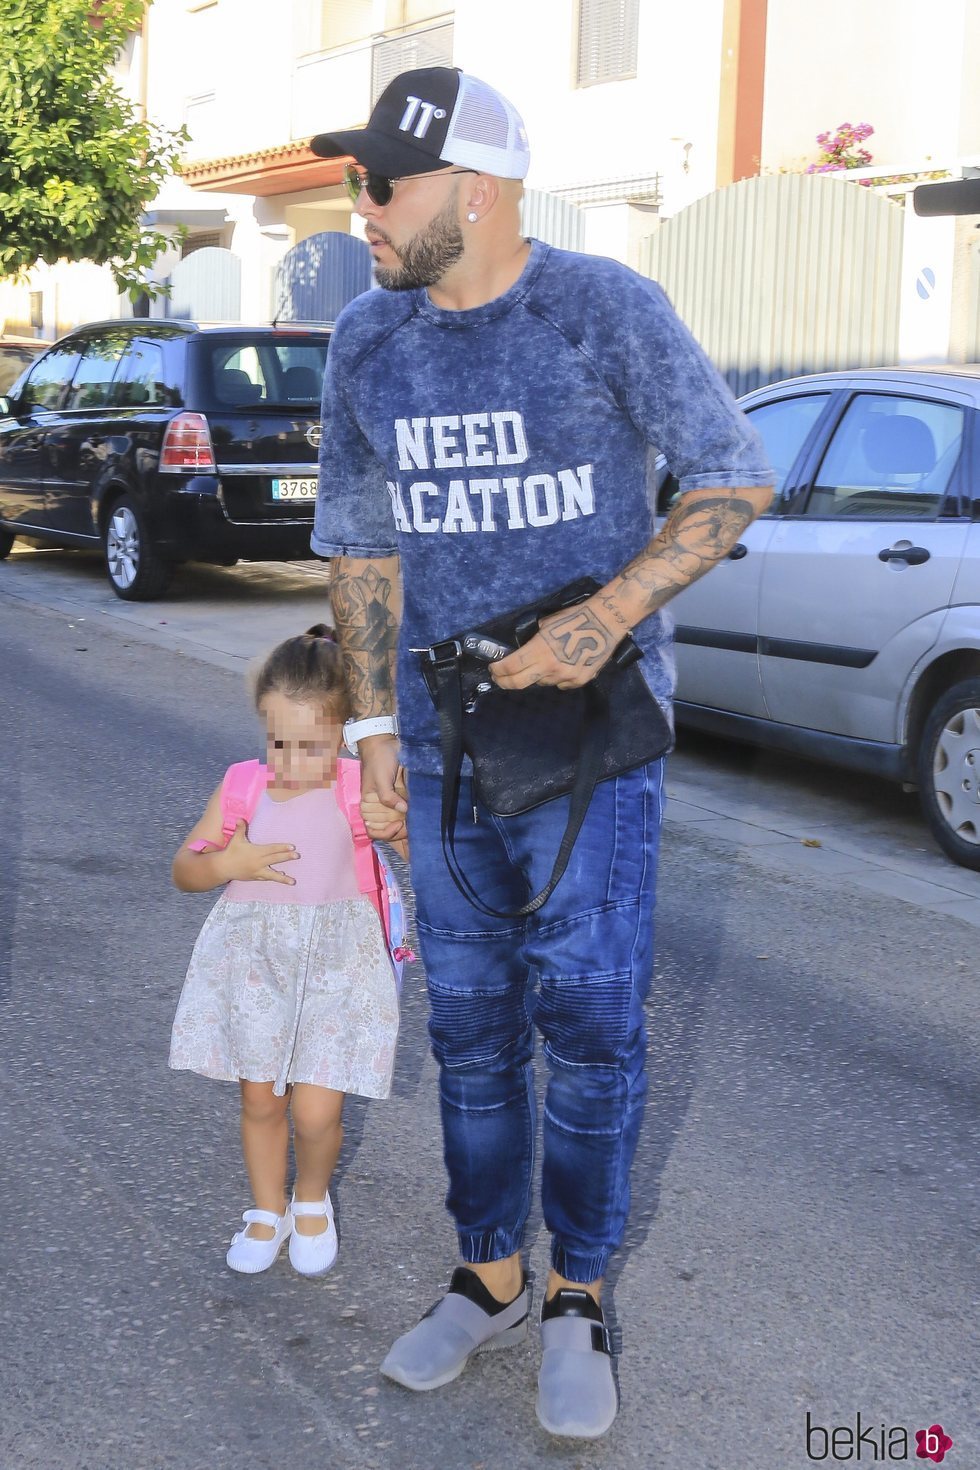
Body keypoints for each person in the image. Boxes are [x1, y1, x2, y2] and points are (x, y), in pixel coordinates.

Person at [310, 66, 774, 1438]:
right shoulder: (365, 343)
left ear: (476, 187)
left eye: (381, 183)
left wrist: (605, 616)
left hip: (587, 746)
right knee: (465, 1027)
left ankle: (578, 1291)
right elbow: (361, 545)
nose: (364, 208)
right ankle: (487, 1272)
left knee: (587, 1027)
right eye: (359, 183)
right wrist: (373, 728)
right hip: (442, 746)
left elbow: (733, 474)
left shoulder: (601, 310)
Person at [169, 625, 401, 1277]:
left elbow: (418, 860)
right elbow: (184, 868)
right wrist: (226, 863)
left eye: (313, 747)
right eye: (279, 743)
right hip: (254, 972)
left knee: (317, 1110)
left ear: (346, 733)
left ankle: (310, 1199)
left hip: (335, 969)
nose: (293, 762)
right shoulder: (243, 785)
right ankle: (266, 1209)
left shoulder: (359, 786)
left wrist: (398, 826)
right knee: (263, 1100)